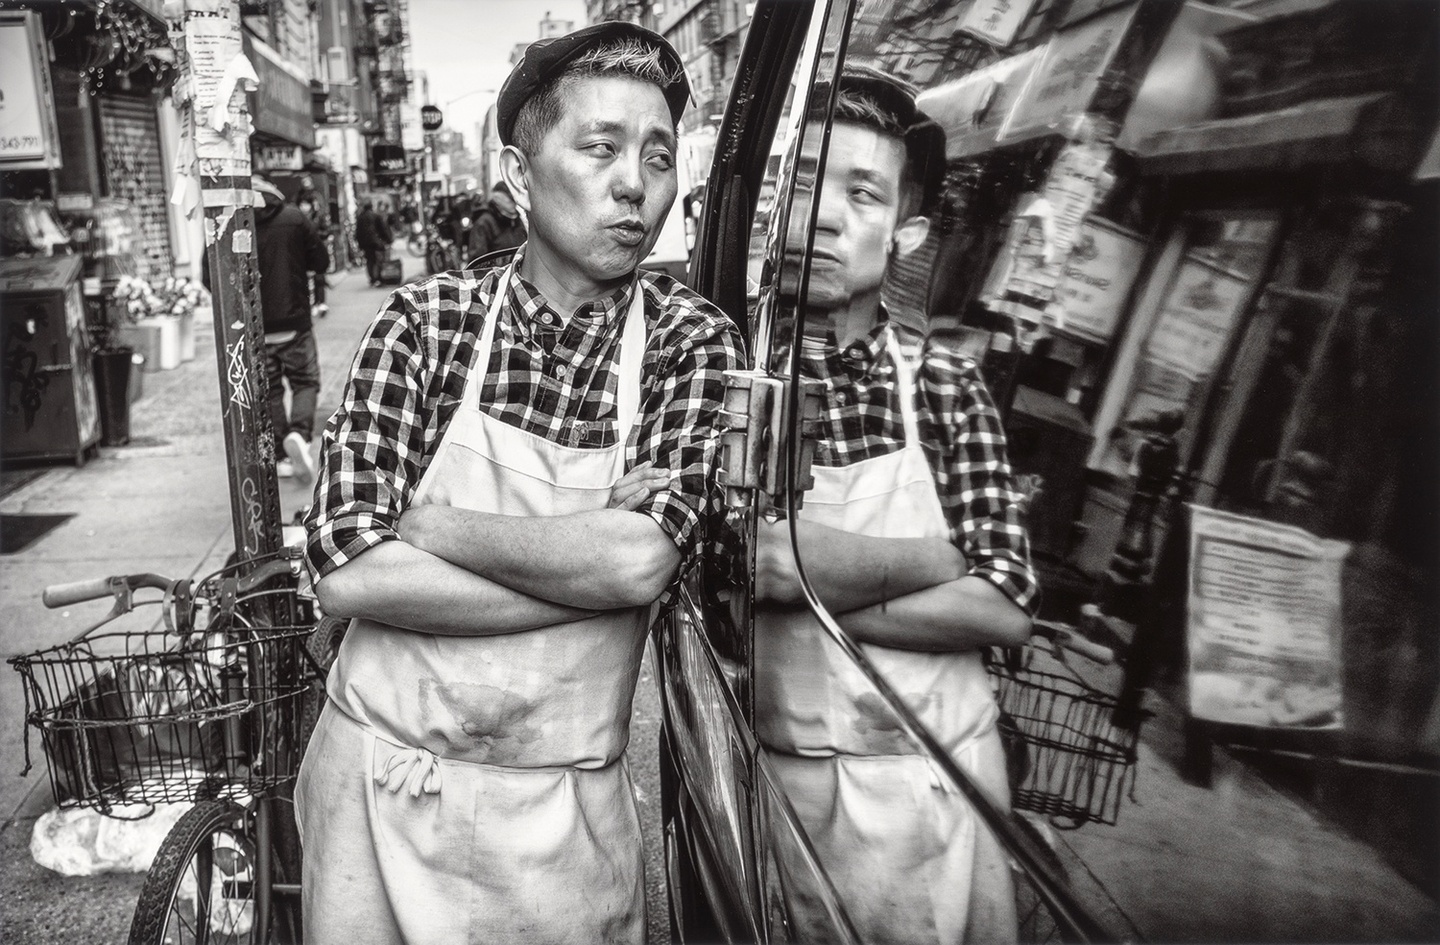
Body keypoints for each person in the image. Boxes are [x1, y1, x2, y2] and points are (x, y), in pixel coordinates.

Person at [296, 22, 744, 945]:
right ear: (517, 174)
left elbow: (633, 566)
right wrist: (584, 564)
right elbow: (345, 569)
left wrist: (426, 526)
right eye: (602, 148)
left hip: (561, 827)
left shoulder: (692, 342)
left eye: (659, 157)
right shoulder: (429, 321)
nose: (636, 183)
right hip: (376, 794)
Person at [752, 68, 1038, 944]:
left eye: (862, 192)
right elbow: (743, 564)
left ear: (905, 233)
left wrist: (798, 578)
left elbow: (1002, 603)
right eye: (806, 182)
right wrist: (932, 563)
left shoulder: (946, 387)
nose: (825, 215)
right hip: (783, 790)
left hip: (936, 784)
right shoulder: (736, 381)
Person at [253, 175, 328, 483]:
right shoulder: (294, 217)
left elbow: (210, 277)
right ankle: (299, 433)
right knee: (304, 381)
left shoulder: (232, 222)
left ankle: (283, 455)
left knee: (269, 389)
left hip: (255, 326)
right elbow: (321, 260)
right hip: (294, 320)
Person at [466, 180, 527, 263]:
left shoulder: (516, 220)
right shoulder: (484, 223)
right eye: (510, 199)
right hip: (497, 275)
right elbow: (477, 262)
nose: (514, 203)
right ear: (498, 198)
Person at [295, 178, 330, 317]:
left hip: (316, 249)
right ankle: (311, 303)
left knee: (319, 277)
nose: (304, 206)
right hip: (303, 251)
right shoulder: (298, 218)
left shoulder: (317, 216)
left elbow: (326, 230)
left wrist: (316, 236)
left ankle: (320, 302)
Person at [354, 199, 393, 285]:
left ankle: (372, 278)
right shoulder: (375, 216)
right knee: (378, 259)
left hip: (365, 243)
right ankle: (378, 277)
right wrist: (388, 240)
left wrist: (359, 243)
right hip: (375, 242)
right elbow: (382, 229)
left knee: (369, 259)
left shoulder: (360, 217)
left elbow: (358, 232)